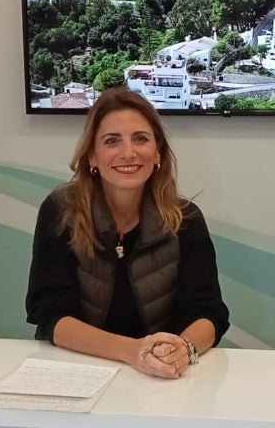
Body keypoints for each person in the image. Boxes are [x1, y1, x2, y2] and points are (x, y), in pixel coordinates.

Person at [26, 87, 229, 378]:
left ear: (157, 152)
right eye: (111, 141)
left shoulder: (186, 219)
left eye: (140, 139)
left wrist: (182, 349)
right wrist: (131, 351)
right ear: (92, 156)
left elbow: (209, 312)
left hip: (160, 375)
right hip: (79, 370)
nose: (128, 152)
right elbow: (50, 314)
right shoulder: (61, 211)